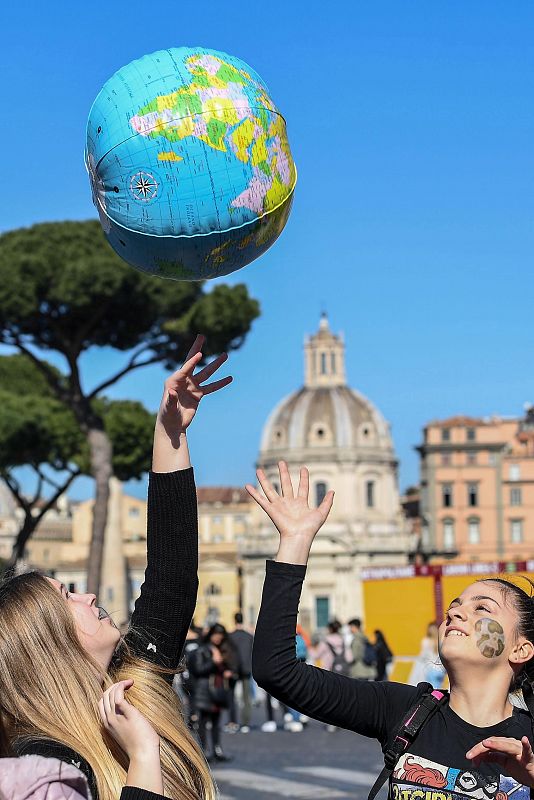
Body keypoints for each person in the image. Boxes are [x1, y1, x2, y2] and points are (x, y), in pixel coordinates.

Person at [0, 335, 232, 800]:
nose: (87, 595)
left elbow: (173, 575)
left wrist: (170, 431)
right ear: (49, 643)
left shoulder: (134, 681)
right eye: (68, 599)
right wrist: (144, 756)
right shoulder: (43, 764)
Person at [249, 461, 534, 800]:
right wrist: (294, 542)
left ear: (521, 649)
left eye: (482, 608)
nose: (456, 611)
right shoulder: (403, 709)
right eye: (456, 604)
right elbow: (276, 670)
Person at [189, 624, 237, 761]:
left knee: (216, 721)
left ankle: (217, 749)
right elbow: (198, 669)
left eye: (220, 636)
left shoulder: (223, 649)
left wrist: (228, 671)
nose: (218, 638)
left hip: (218, 689)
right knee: (203, 722)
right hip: (204, 690)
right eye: (216, 635)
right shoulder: (203, 650)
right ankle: (204, 751)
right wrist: (213, 662)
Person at [228, 612, 254, 733]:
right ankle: (245, 723)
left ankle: (232, 722)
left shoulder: (230, 636)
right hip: (246, 668)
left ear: (234, 620)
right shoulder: (249, 636)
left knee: (231, 697)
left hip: (233, 669)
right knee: (246, 697)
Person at [409, 622, 446, 688]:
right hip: (440, 669)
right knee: (438, 687)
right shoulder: (441, 641)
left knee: (431, 689)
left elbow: (423, 656)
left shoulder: (426, 641)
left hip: (430, 668)